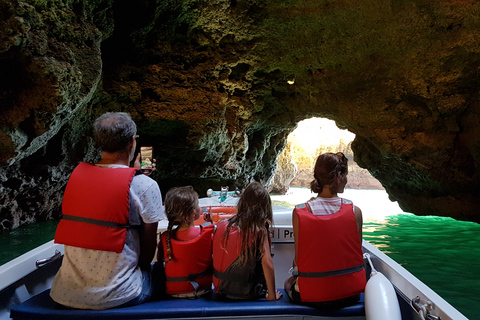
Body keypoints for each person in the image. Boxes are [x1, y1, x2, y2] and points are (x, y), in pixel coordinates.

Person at [50, 112, 165, 310]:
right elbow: (147, 253)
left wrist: (135, 173)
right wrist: (141, 177)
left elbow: (111, 183)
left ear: (99, 143)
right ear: (131, 142)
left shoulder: (76, 177)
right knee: (164, 273)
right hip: (120, 295)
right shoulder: (145, 185)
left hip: (64, 293)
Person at [284, 152, 366, 308]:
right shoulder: (355, 212)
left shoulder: (300, 213)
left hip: (312, 296)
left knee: (288, 283)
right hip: (349, 295)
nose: (346, 181)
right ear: (338, 176)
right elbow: (356, 253)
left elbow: (297, 261)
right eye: (345, 175)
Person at [212, 182, 282, 301]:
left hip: (222, 290)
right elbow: (268, 264)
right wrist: (271, 295)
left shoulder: (223, 225)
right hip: (247, 293)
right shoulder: (259, 231)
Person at [158, 186, 214, 298]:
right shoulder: (207, 234)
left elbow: (161, 261)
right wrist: (211, 224)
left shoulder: (166, 238)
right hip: (202, 290)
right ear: (193, 212)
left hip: (174, 292)